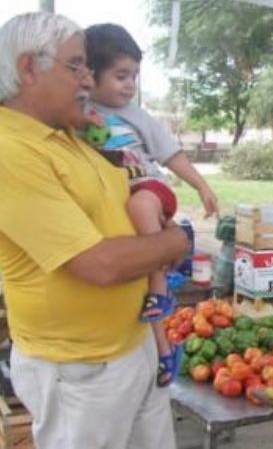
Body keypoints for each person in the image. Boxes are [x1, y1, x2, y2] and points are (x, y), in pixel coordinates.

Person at [0, 13, 189, 448]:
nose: (87, 79)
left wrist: (158, 232)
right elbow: (99, 264)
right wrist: (175, 241)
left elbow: (130, 209)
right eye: (76, 65)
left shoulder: (76, 138)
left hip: (132, 344)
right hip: (80, 370)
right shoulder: (6, 153)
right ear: (28, 68)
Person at [84, 23, 219, 386]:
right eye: (120, 76)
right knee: (139, 292)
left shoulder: (135, 115)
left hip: (150, 189)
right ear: (90, 74)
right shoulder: (78, 113)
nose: (129, 85)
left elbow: (169, 154)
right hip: (118, 200)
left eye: (133, 76)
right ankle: (163, 352)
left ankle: (160, 286)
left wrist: (201, 185)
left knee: (142, 210)